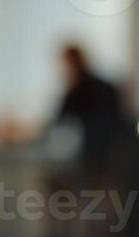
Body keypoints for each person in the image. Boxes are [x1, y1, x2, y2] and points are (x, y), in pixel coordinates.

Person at [54, 43, 128, 183]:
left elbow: (59, 119)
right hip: (110, 152)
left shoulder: (78, 89)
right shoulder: (105, 86)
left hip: (96, 154)